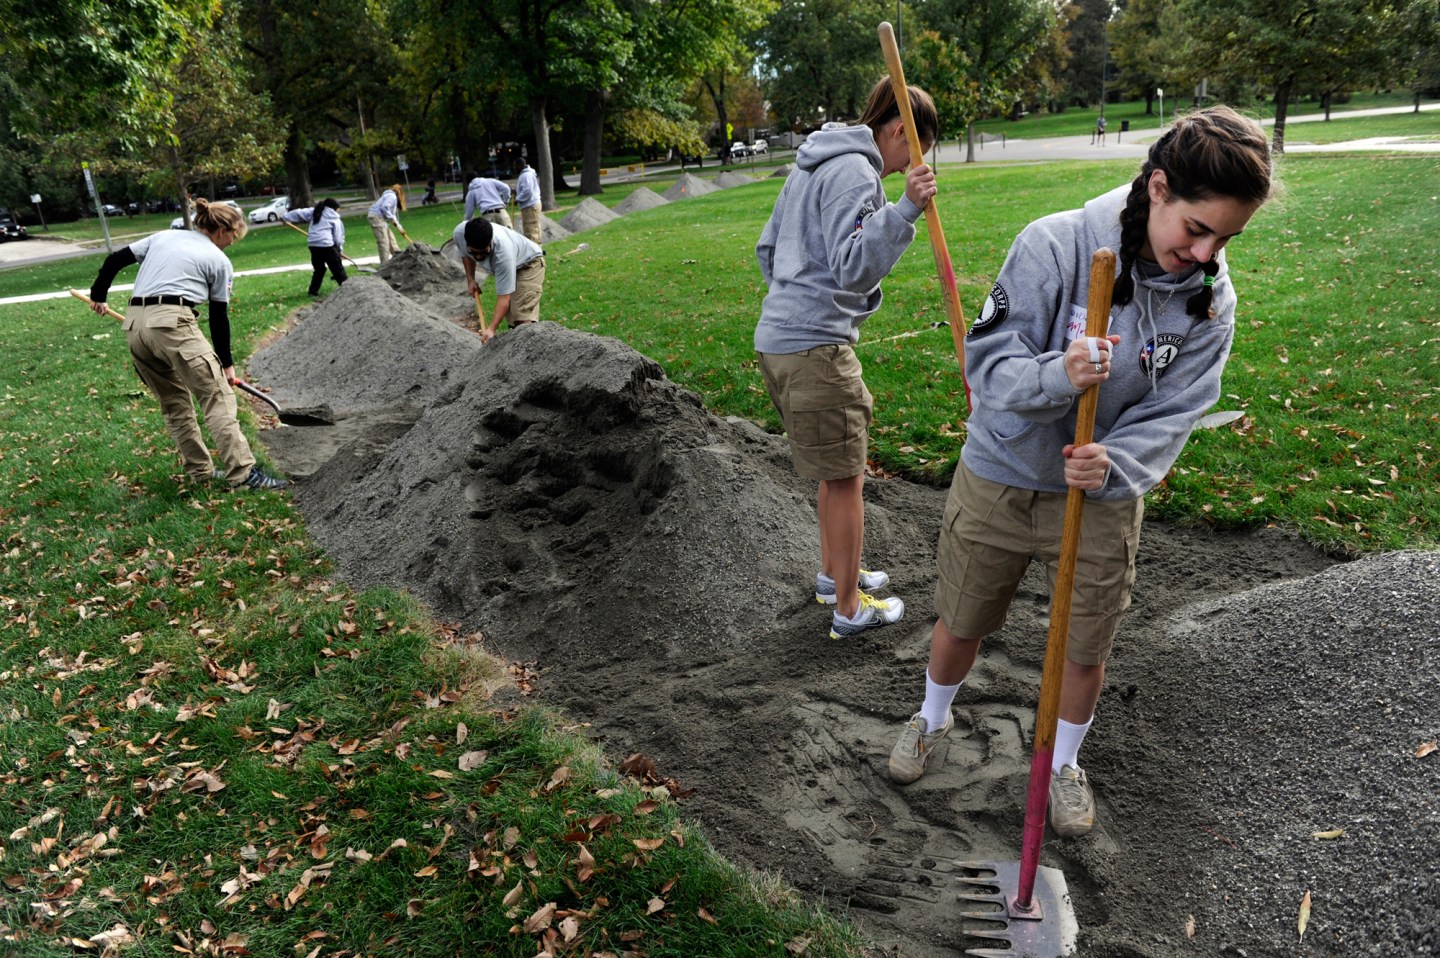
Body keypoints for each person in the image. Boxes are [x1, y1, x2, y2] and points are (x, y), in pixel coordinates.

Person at [887, 107, 1275, 840]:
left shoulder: (1209, 300)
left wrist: (1116, 461)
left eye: (1226, 238)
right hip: (1003, 473)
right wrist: (1058, 375)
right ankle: (931, 717)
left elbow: (1180, 407)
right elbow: (989, 367)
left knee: (1085, 643)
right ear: (1157, 188)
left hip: (1101, 495)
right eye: (1197, 229)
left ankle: (1063, 762)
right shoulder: (1054, 244)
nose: (1207, 254)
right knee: (962, 618)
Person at [753, 77, 938, 640]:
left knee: (834, 477)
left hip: (777, 342)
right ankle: (850, 609)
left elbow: (768, 249)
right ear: (900, 131)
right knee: (848, 480)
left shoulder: (812, 161)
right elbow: (854, 266)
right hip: (816, 348)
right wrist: (906, 208)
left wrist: (795, 300)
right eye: (917, 150)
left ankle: (837, 576)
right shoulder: (856, 170)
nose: (909, 166)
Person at [86, 198, 289, 491]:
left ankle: (201, 472)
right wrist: (227, 366)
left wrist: (98, 295)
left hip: (135, 326)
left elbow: (115, 260)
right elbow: (218, 317)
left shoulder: (163, 237)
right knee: (217, 395)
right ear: (222, 230)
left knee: (174, 404)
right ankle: (243, 475)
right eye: (234, 235)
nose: (232, 242)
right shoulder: (218, 260)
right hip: (172, 323)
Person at [451, 217, 545, 344]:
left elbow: (504, 299)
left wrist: (491, 329)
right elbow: (465, 255)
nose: (478, 256)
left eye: (483, 252)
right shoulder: (459, 234)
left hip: (528, 264)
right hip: (513, 261)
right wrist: (471, 280)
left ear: (490, 243)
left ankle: (533, 349)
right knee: (513, 322)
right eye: (474, 252)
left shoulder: (503, 254)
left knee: (521, 318)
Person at [282, 198, 347, 296]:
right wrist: (339, 249)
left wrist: (285, 217)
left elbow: (298, 213)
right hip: (326, 245)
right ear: (335, 208)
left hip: (313, 245)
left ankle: (312, 292)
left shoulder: (315, 211)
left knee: (319, 269)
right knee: (337, 268)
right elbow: (338, 239)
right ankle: (347, 289)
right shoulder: (334, 217)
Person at [367, 183, 406, 265]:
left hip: (380, 218)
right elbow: (385, 207)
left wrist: (399, 227)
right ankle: (384, 265)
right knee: (384, 242)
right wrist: (391, 219)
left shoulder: (391, 196)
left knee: (391, 239)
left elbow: (392, 215)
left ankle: (399, 259)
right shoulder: (392, 196)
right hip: (376, 217)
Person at [514, 162, 542, 243]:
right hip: (531, 205)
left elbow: (528, 191)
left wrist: (517, 199)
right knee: (534, 228)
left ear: (519, 165)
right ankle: (537, 247)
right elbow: (526, 189)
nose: (514, 168)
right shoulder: (526, 174)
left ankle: (534, 248)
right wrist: (516, 192)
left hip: (530, 206)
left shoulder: (526, 175)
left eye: (515, 166)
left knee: (531, 229)